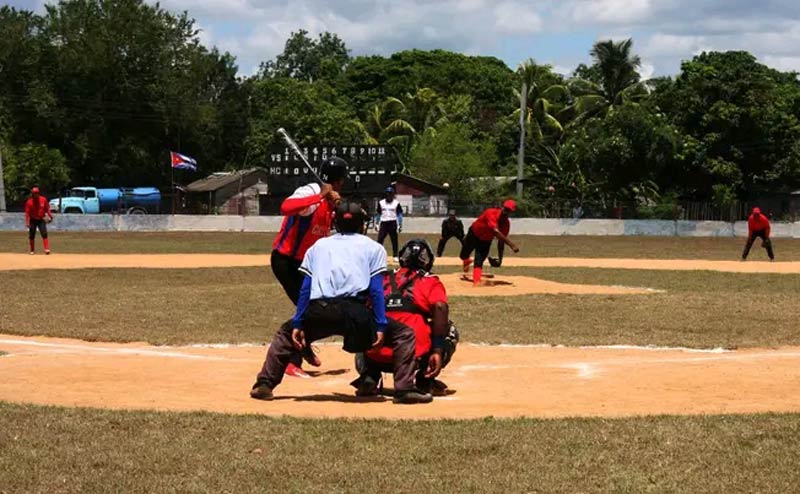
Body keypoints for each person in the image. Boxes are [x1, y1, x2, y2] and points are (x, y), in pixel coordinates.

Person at [250, 200, 432, 405]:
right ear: (362, 224)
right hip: (356, 313)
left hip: (320, 310)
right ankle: (404, 389)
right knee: (403, 334)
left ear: (335, 223)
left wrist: (299, 321)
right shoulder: (374, 248)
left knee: (285, 334)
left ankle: (264, 384)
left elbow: (305, 288)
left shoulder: (318, 246)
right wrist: (380, 323)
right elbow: (375, 290)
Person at [270, 157, 349, 374]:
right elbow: (286, 206)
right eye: (342, 180)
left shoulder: (330, 201)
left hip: (305, 265)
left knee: (319, 307)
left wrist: (337, 207)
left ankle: (301, 348)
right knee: (309, 309)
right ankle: (292, 361)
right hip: (286, 261)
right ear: (338, 180)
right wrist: (320, 196)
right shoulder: (310, 191)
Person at [351, 239, 458, 397]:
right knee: (449, 329)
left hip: (375, 354)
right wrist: (437, 349)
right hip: (412, 357)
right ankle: (424, 379)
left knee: (365, 323)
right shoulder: (429, 280)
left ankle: (369, 375)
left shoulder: (382, 277)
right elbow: (440, 308)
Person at [460, 199, 520, 286]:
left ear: (511, 212)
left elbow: (501, 241)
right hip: (473, 233)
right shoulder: (491, 213)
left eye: (509, 211)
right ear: (502, 207)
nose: (506, 212)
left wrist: (500, 259)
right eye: (506, 209)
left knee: (479, 260)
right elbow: (495, 231)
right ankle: (466, 261)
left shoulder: (506, 224)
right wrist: (512, 245)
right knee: (463, 255)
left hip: (486, 240)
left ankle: (476, 281)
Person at [376, 186, 403, 260]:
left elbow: (399, 214)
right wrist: (377, 223)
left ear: (393, 194)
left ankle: (395, 255)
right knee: (380, 239)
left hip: (392, 222)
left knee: (394, 240)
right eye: (388, 194)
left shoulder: (396, 203)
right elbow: (378, 213)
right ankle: (377, 255)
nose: (389, 195)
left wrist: (400, 224)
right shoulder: (381, 203)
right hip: (384, 222)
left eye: (390, 194)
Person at [24, 187, 53, 255]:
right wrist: (27, 222)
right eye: (34, 193)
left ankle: (46, 249)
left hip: (41, 219)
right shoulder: (29, 202)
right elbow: (27, 213)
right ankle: (32, 250)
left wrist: (50, 216)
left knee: (44, 233)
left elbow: (47, 209)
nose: (36, 194)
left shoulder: (43, 200)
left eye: (37, 193)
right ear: (32, 194)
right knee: (32, 235)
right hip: (33, 220)